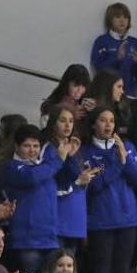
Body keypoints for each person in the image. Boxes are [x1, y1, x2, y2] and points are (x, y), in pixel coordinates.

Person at [81, 106, 137, 273]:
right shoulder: (85, 152)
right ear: (93, 124)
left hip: (128, 220)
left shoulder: (127, 146)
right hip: (101, 222)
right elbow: (94, 185)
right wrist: (119, 163)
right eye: (103, 120)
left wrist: (125, 157)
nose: (108, 125)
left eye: (111, 121)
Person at [1, 124, 67, 273]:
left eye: (36, 146)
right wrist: (58, 160)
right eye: (27, 146)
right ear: (16, 146)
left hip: (50, 239)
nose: (32, 150)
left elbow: (68, 178)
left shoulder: (46, 168)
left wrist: (69, 156)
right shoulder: (11, 167)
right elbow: (31, 177)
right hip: (26, 242)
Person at [43, 105, 92, 253]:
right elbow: (58, 180)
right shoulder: (48, 148)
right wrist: (78, 180)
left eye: (71, 121)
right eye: (62, 120)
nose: (67, 125)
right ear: (53, 123)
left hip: (74, 219)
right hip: (58, 218)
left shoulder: (75, 148)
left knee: (70, 269)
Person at [90, 2, 137, 97]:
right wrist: (117, 59)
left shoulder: (135, 42)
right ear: (110, 20)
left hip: (129, 93)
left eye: (125, 17)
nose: (122, 20)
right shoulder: (102, 41)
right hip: (107, 93)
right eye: (118, 17)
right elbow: (98, 67)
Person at [40, 65, 93, 130]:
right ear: (66, 83)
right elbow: (45, 129)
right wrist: (69, 116)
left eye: (83, 86)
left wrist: (95, 112)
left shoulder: (84, 103)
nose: (80, 90)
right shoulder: (51, 105)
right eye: (76, 85)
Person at [87, 68, 131, 137]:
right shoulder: (90, 107)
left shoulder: (122, 107)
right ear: (108, 87)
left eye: (122, 87)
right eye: (119, 87)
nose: (122, 91)